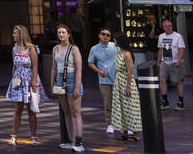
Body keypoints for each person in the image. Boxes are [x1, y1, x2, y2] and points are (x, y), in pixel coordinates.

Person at [7, 24, 47, 146]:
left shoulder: (31, 49)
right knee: (17, 109)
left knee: (31, 110)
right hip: (18, 81)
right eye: (13, 33)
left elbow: (35, 66)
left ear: (21, 35)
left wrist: (34, 83)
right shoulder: (14, 49)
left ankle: (33, 137)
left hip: (29, 80)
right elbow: (14, 65)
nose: (13, 35)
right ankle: (14, 136)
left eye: (15, 33)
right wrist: (13, 80)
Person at [50, 23, 85, 152]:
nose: (61, 35)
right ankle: (71, 141)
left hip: (72, 79)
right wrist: (52, 83)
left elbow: (79, 69)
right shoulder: (55, 49)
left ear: (68, 34)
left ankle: (79, 142)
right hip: (59, 80)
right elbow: (54, 67)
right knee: (66, 112)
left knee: (75, 112)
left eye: (63, 32)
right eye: (59, 32)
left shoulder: (74, 49)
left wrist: (77, 87)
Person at [110, 33, 142, 142]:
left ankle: (136, 133)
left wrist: (128, 87)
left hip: (126, 81)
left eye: (115, 39)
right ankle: (124, 133)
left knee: (131, 106)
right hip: (119, 81)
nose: (114, 41)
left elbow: (130, 71)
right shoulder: (118, 52)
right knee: (120, 106)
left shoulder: (127, 54)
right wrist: (114, 82)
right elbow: (117, 69)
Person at [87, 26, 118, 135]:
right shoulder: (94, 48)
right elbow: (90, 62)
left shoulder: (115, 46)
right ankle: (110, 123)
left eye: (108, 35)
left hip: (117, 79)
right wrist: (99, 71)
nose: (105, 36)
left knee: (120, 102)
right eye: (103, 34)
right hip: (104, 79)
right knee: (107, 102)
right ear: (99, 35)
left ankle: (123, 124)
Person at [157, 18, 187, 110]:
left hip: (175, 62)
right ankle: (165, 101)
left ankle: (180, 101)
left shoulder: (178, 36)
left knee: (177, 82)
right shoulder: (161, 36)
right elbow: (160, 49)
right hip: (164, 62)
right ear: (163, 27)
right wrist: (158, 61)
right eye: (166, 26)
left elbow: (181, 48)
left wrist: (179, 60)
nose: (168, 28)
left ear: (172, 26)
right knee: (162, 80)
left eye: (169, 26)